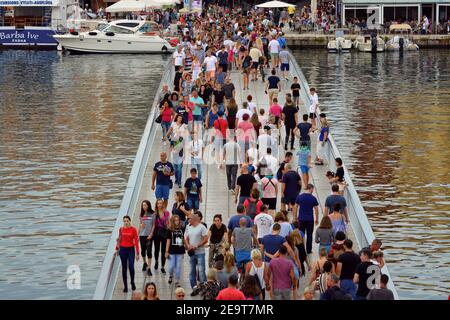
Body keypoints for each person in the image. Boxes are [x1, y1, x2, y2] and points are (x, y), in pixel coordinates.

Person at [185, 211, 209, 294]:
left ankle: (204, 288)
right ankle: (194, 287)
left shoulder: (202, 227)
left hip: (200, 252)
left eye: (189, 219)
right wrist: (188, 245)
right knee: (192, 271)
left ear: (194, 219)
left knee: (201, 270)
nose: (188, 220)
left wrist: (197, 245)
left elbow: (206, 239)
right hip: (192, 253)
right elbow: (186, 238)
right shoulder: (189, 227)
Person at [116, 215, 139, 292]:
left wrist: (137, 253)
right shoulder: (121, 229)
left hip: (130, 250)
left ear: (129, 221)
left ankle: (132, 281)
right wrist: (117, 249)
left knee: (131, 267)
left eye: (127, 221)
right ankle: (125, 286)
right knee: (124, 268)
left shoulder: (133, 230)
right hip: (123, 250)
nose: (126, 222)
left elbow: (136, 242)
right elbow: (119, 240)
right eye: (124, 221)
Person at [293, 184, 319, 254]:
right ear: (310, 188)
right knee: (309, 235)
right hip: (310, 219)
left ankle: (301, 249)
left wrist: (295, 218)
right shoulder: (313, 198)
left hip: (301, 219)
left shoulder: (300, 197)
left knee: (301, 234)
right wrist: (317, 219)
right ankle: (309, 250)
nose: (312, 191)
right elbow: (316, 209)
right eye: (312, 189)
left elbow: (295, 207)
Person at [165, 215, 185, 287]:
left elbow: (183, 239)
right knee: (171, 266)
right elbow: (168, 240)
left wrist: (185, 248)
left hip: (180, 250)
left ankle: (177, 280)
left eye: (178, 220)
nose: (177, 221)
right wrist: (166, 251)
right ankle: (171, 275)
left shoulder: (182, 228)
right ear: (173, 221)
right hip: (172, 250)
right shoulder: (169, 230)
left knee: (178, 266)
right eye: (175, 220)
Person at [153, 199, 170, 274]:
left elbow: (169, 223)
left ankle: (163, 266)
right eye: (158, 203)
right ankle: (156, 261)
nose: (159, 205)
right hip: (156, 232)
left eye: (161, 203)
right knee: (156, 249)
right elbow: (153, 225)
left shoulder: (166, 213)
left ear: (163, 204)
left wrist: (168, 225)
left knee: (163, 250)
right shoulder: (154, 213)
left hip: (164, 232)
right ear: (156, 205)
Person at [139, 200, 155, 276]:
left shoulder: (152, 214)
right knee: (143, 251)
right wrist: (138, 233)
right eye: (143, 205)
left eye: (145, 205)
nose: (144, 206)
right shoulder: (141, 214)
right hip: (142, 235)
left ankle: (149, 268)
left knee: (149, 251)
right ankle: (144, 263)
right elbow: (141, 224)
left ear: (148, 205)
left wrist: (151, 234)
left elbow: (154, 225)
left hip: (149, 235)